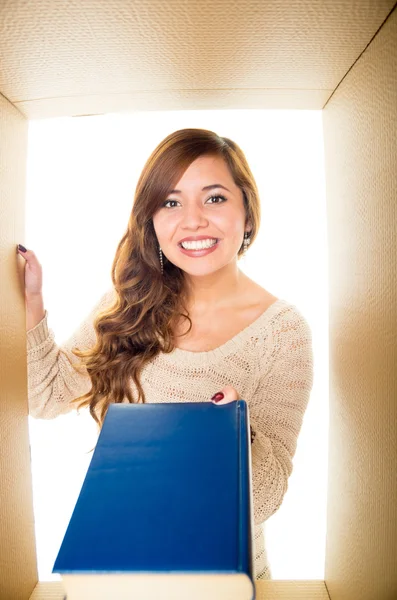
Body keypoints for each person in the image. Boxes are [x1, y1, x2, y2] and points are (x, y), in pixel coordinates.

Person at [18, 128, 314, 580]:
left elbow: (270, 497)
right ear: (152, 219)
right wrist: (32, 302)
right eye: (171, 202)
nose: (192, 220)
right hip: (117, 565)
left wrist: (233, 434)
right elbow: (45, 396)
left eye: (214, 198)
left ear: (248, 214)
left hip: (220, 580)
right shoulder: (129, 305)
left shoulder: (283, 332)